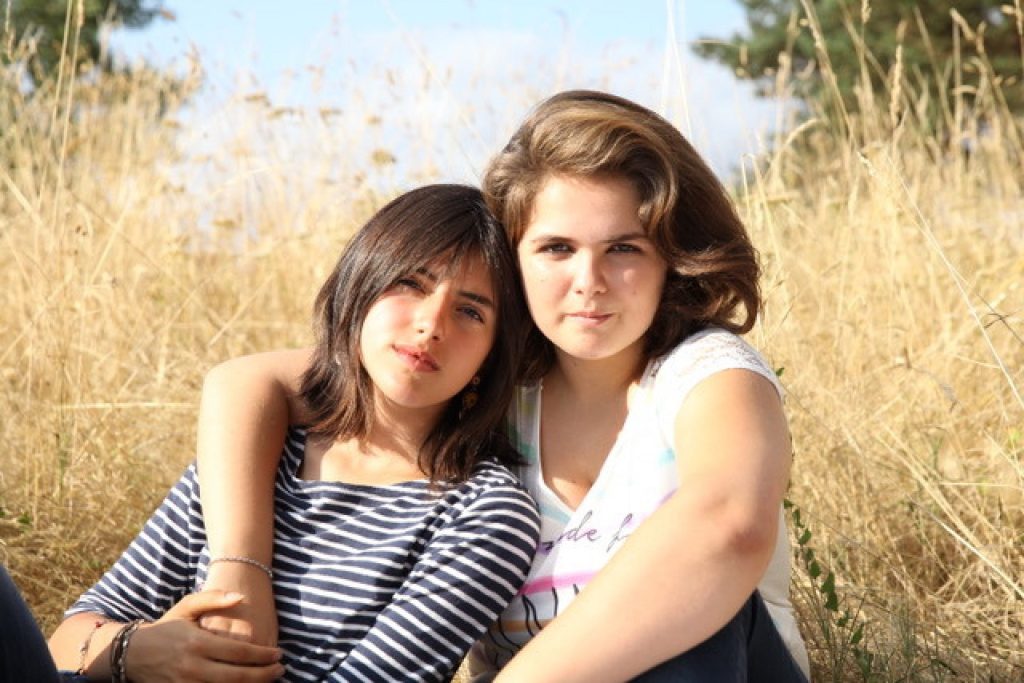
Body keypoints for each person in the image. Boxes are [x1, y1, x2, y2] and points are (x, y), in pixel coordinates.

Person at [194, 90, 812, 682]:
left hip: (714, 670)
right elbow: (245, 383)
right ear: (512, 260)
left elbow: (729, 527)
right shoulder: (489, 381)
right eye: (556, 248)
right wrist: (238, 570)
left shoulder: (706, 373)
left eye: (623, 248)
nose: (589, 281)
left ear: (671, 260)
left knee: (691, 607)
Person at [45, 184, 541, 682]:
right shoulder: (260, 457)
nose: (431, 324)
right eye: (411, 284)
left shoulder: (484, 511)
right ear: (360, 286)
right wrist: (135, 651)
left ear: (492, 354)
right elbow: (65, 644)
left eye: (470, 311)